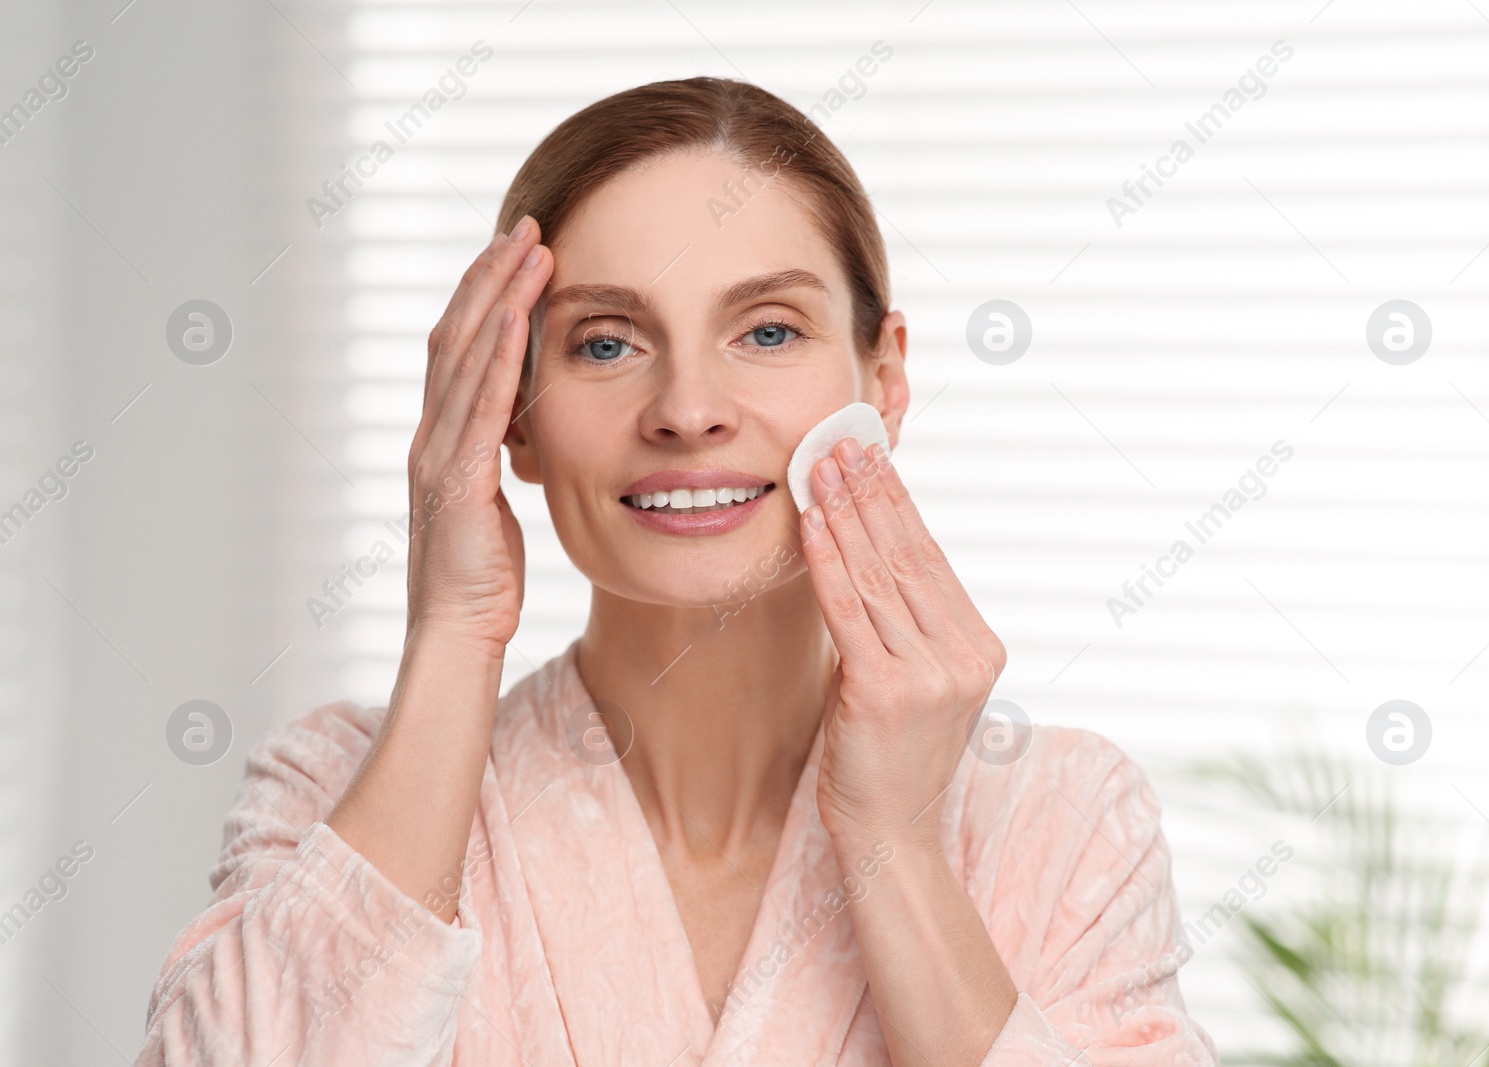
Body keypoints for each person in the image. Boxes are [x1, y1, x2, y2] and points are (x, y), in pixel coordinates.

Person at [136, 76, 1218, 1066]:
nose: (688, 407)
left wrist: (893, 843)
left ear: (883, 377)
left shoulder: (1061, 819)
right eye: (606, 343)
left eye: (767, 330)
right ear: (509, 411)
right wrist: (455, 631)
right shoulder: (340, 782)